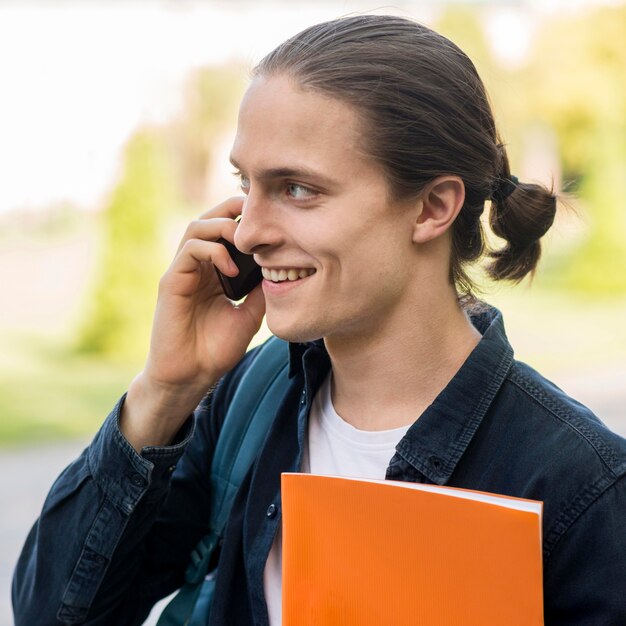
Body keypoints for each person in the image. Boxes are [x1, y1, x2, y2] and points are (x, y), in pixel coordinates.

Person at [12, 14, 626, 626]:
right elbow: (51, 615)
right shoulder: (246, 402)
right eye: (246, 183)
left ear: (433, 207)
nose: (248, 231)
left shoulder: (583, 488)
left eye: (297, 189)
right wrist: (165, 390)